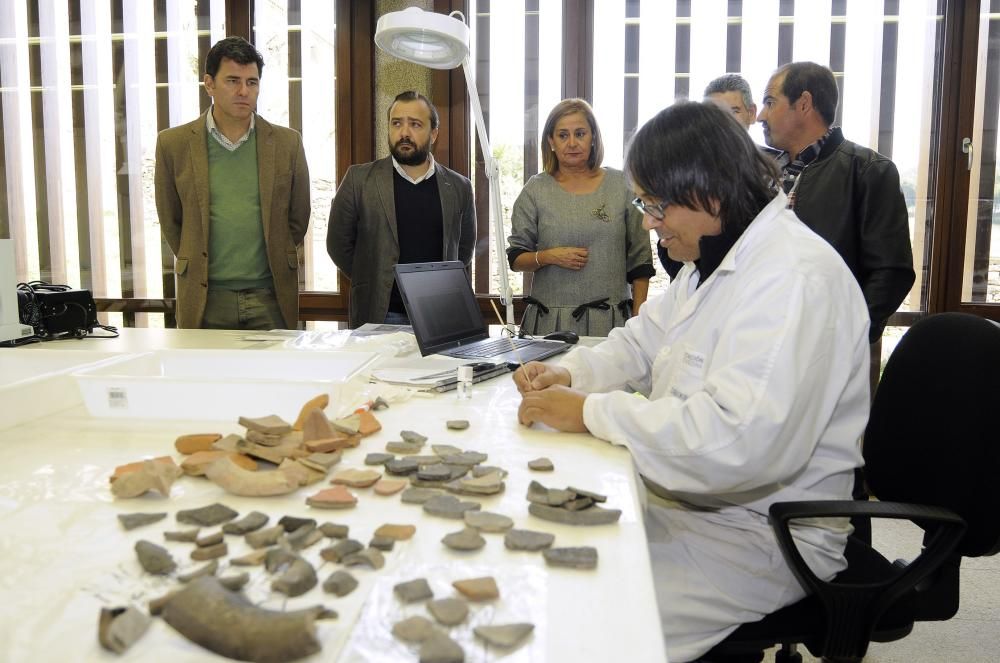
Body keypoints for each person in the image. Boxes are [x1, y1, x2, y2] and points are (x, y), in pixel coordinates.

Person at [513, 101, 870, 662]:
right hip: (694, 503)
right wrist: (570, 371)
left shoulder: (793, 278)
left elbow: (735, 441)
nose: (649, 222)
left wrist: (589, 412)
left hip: (766, 535)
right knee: (549, 561)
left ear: (709, 192)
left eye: (655, 204)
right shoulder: (713, 262)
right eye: (643, 203)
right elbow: (641, 340)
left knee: (579, 628)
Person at [155, 36, 311, 330]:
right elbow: (172, 220)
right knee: (207, 376)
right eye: (233, 81)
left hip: (270, 296)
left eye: (252, 82)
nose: (244, 91)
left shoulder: (286, 143)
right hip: (206, 297)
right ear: (209, 84)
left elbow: (298, 217)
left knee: (274, 375)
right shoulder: (172, 144)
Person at [757, 61, 915, 347]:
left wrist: (845, 340)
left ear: (804, 104)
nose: (760, 116)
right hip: (758, 340)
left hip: (824, 350)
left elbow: (891, 272)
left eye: (769, 102)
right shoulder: (761, 173)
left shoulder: (867, 171)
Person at [326, 91, 476, 328]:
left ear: (434, 133)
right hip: (380, 314)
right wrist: (371, 276)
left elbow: (464, 251)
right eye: (397, 123)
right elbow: (338, 244)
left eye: (415, 124)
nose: (404, 133)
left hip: (438, 316)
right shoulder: (359, 179)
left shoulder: (459, 187)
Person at [507, 98, 654, 337]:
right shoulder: (535, 190)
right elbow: (515, 258)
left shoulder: (623, 186)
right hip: (549, 325)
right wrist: (548, 256)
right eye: (563, 135)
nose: (572, 143)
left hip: (611, 324)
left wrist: (637, 324)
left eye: (580, 133)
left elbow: (641, 262)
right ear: (551, 142)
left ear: (593, 138)